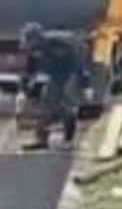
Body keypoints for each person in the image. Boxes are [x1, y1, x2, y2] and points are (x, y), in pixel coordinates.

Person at [18, 22, 92, 150]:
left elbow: (79, 64)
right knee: (47, 100)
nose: (29, 49)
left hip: (71, 68)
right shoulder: (32, 50)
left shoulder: (60, 45)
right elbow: (28, 72)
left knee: (66, 103)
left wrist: (85, 85)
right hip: (56, 71)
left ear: (37, 40)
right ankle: (41, 139)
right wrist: (23, 91)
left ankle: (68, 140)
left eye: (30, 44)